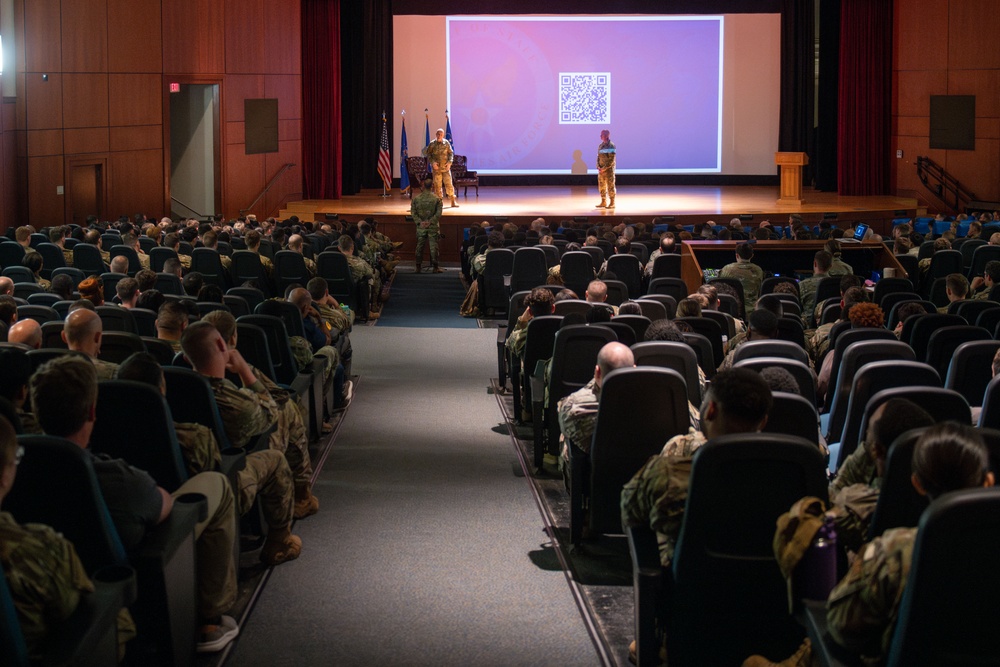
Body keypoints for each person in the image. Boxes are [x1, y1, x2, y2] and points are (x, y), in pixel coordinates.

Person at [29, 356, 240, 653]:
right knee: (215, 484)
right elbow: (163, 504)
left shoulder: (17, 470)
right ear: (92, 410)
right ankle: (210, 621)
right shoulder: (119, 480)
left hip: (49, 591)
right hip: (129, 574)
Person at [115, 353, 302, 566]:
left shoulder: (104, 436)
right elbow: (219, 480)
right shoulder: (194, 437)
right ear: (161, 392)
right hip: (191, 514)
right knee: (275, 459)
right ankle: (280, 542)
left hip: (133, 517)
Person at [180, 320, 321, 520]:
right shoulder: (233, 401)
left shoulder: (178, 389)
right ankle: (300, 497)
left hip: (189, 475)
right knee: (287, 408)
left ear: (186, 358)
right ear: (223, 345)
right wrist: (245, 371)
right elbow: (270, 413)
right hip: (231, 478)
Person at [557, 342, 635, 479]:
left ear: (597, 371)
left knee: (566, 438)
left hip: (600, 484)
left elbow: (563, 413)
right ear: (634, 368)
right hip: (648, 483)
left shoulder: (573, 406)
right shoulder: (662, 404)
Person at [721, 242, 764, 318]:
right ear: (752, 255)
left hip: (733, 312)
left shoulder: (727, 269)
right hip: (753, 313)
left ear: (737, 255)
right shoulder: (758, 270)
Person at [411, 178, 444, 273]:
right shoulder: (437, 199)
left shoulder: (416, 199)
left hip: (421, 226)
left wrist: (419, 222)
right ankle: (435, 267)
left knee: (419, 246)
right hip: (432, 226)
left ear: (423, 186)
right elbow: (438, 213)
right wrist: (431, 222)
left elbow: (413, 212)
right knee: (434, 246)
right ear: (432, 186)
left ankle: (418, 267)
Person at [423, 128, 458, 208]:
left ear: (443, 135)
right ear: (436, 134)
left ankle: (453, 200)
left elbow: (451, 154)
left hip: (446, 168)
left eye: (441, 134)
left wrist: (449, 163)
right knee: (437, 185)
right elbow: (429, 154)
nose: (439, 136)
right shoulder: (432, 144)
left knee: (449, 184)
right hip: (436, 169)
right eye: (438, 134)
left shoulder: (446, 143)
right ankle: (439, 202)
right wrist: (433, 163)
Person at [595, 129, 616, 209]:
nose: (600, 136)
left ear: (607, 136)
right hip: (601, 171)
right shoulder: (601, 145)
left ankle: (612, 202)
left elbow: (611, 159)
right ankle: (603, 201)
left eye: (602, 134)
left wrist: (604, 168)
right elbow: (598, 157)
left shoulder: (611, 145)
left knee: (610, 186)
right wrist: (598, 166)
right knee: (602, 186)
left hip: (608, 171)